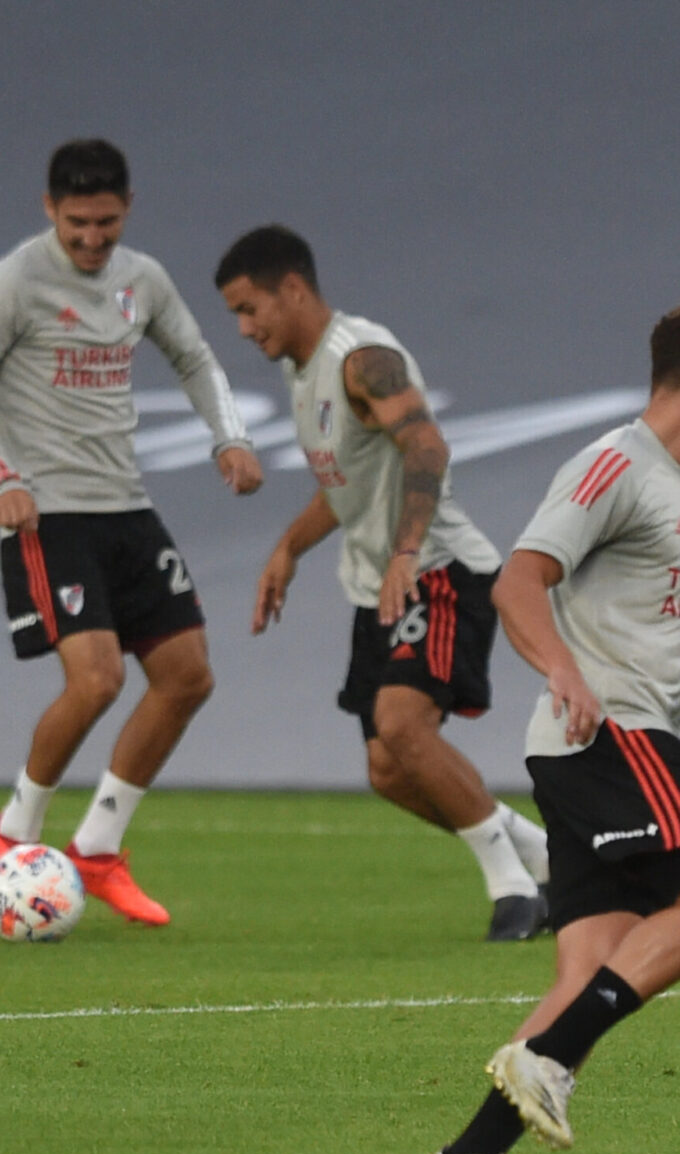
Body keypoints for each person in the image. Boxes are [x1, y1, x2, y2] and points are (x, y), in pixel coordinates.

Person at [416, 302, 680, 1154]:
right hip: (616, 740)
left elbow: (655, 648)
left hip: (608, 740)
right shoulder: (616, 464)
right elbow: (519, 580)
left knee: (587, 972)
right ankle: (542, 1061)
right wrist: (564, 674)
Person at [0, 139, 261, 927]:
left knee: (188, 675)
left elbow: (195, 357)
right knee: (99, 678)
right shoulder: (13, 282)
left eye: (105, 223)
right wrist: (1, 478)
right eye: (76, 222)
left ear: (128, 209)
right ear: (49, 209)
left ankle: (98, 847)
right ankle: (12, 830)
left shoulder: (141, 280)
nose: (90, 239)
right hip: (47, 511)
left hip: (124, 504)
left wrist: (231, 434)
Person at [214, 224, 553, 941]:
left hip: (438, 570)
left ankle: (514, 889)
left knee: (402, 725)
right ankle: (543, 855)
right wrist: (288, 549)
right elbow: (346, 486)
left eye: (250, 309)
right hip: (378, 585)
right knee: (388, 771)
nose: (244, 328)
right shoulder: (301, 373)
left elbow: (426, 445)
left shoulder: (363, 359)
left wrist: (405, 550)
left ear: (295, 290)